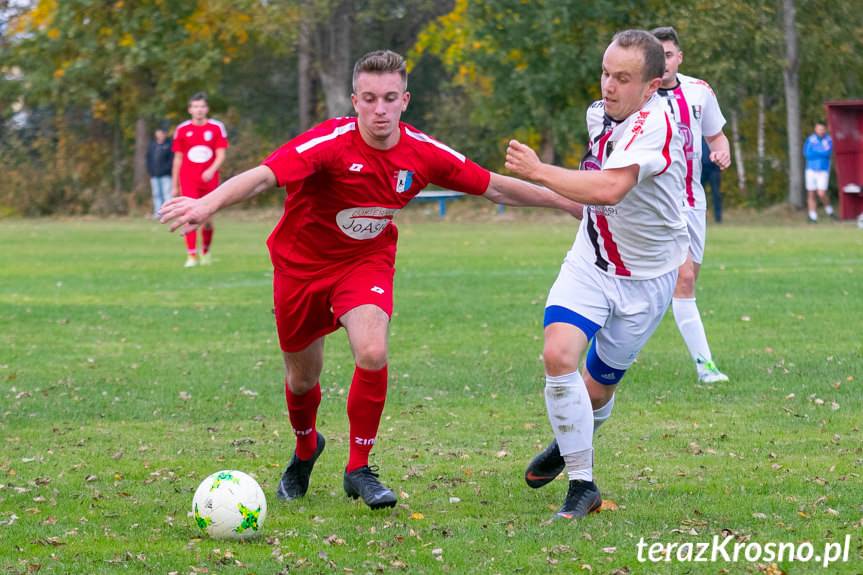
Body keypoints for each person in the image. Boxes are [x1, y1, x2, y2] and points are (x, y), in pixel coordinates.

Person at [159, 50, 582, 511]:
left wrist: (565, 202)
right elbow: (262, 177)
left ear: (405, 100)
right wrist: (207, 204)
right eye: (369, 98)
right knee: (302, 381)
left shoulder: (422, 152)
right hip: (300, 268)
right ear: (354, 101)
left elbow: (495, 186)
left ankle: (358, 468)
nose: (379, 109)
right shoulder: (328, 143)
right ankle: (305, 450)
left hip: (365, 263)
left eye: (389, 98)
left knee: (373, 350)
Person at [505, 29, 688, 520]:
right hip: (590, 261)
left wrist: (538, 171)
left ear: (651, 87)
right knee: (557, 354)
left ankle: (569, 443)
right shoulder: (597, 114)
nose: (609, 86)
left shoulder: (658, 126)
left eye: (623, 78)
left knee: (596, 389)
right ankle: (582, 485)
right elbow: (593, 197)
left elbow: (609, 189)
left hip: (647, 280)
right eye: (606, 72)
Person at [652, 26, 730, 384]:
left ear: (679, 57)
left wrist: (722, 151)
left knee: (686, 283)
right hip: (655, 204)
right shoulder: (640, 96)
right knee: (683, 280)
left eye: (668, 55)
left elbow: (717, 135)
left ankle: (617, 339)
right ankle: (705, 366)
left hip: (692, 202)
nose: (664, 62)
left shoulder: (700, 91)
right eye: (658, 56)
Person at [171, 93, 229, 267]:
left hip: (210, 180)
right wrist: (174, 184)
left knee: (208, 219)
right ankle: (191, 256)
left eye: (202, 106)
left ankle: (206, 250)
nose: (199, 110)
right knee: (190, 216)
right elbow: (178, 158)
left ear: (207, 109)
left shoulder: (217, 128)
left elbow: (221, 153)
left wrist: (212, 170)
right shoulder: (182, 129)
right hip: (188, 179)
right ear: (190, 110)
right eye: (195, 107)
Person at [803, 121, 836, 223]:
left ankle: (829, 211)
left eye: (822, 129)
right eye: (818, 129)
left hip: (823, 169)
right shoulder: (810, 139)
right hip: (810, 169)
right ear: (815, 129)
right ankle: (813, 216)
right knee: (811, 193)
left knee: (821, 193)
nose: (820, 131)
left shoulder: (828, 140)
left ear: (825, 129)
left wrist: (816, 151)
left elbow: (827, 153)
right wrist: (820, 152)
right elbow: (807, 154)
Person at [147, 128, 174, 218]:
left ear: (164, 134)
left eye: (161, 134)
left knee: (167, 194)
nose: (160, 136)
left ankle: (169, 213)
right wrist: (151, 170)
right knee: (156, 194)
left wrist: (166, 169)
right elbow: (148, 159)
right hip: (154, 175)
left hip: (166, 175)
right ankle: (158, 213)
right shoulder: (152, 145)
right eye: (158, 134)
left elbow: (172, 160)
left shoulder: (169, 145)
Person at [701, 137, 722, 223]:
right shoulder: (698, 138)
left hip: (714, 170)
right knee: (700, 194)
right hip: (701, 170)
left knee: (716, 194)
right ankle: (701, 217)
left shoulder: (715, 138)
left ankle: (718, 218)